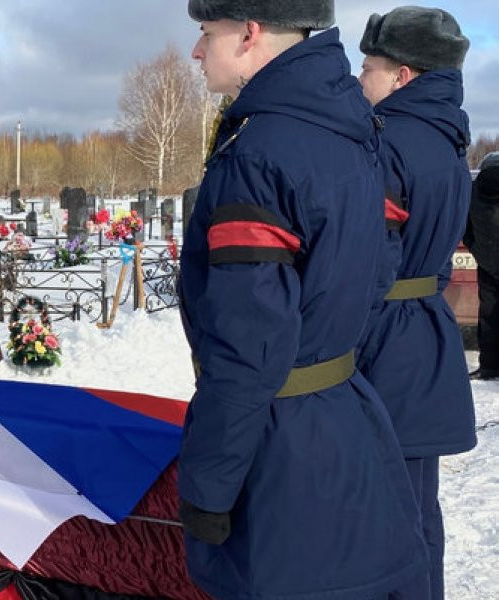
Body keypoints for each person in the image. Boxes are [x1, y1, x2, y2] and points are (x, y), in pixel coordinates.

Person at [179, 1, 426, 598]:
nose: (196, 50)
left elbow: (249, 347)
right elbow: (376, 276)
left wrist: (208, 487)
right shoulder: (348, 128)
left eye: (207, 33)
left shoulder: (259, 152)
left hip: (281, 455)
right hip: (348, 421)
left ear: (250, 33)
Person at [354, 8, 476, 598]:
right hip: (425, 332)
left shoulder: (388, 144)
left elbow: (366, 261)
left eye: (368, 67)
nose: (360, 79)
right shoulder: (448, 139)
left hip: (382, 343)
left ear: (402, 75)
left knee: (379, 513)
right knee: (418, 505)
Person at [466, 153, 499, 380]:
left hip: (487, 263)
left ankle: (488, 367)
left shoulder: (473, 192)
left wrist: (477, 251)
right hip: (487, 261)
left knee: (488, 317)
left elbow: (465, 228)